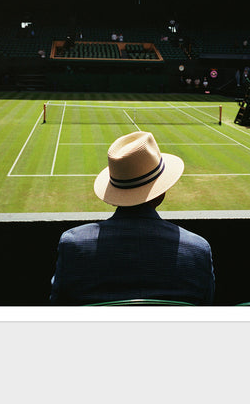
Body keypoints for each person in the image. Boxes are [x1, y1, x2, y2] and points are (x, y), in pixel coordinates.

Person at [49, 131, 215, 306]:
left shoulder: (73, 245)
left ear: (115, 195)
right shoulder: (198, 250)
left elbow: (58, 306)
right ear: (160, 193)